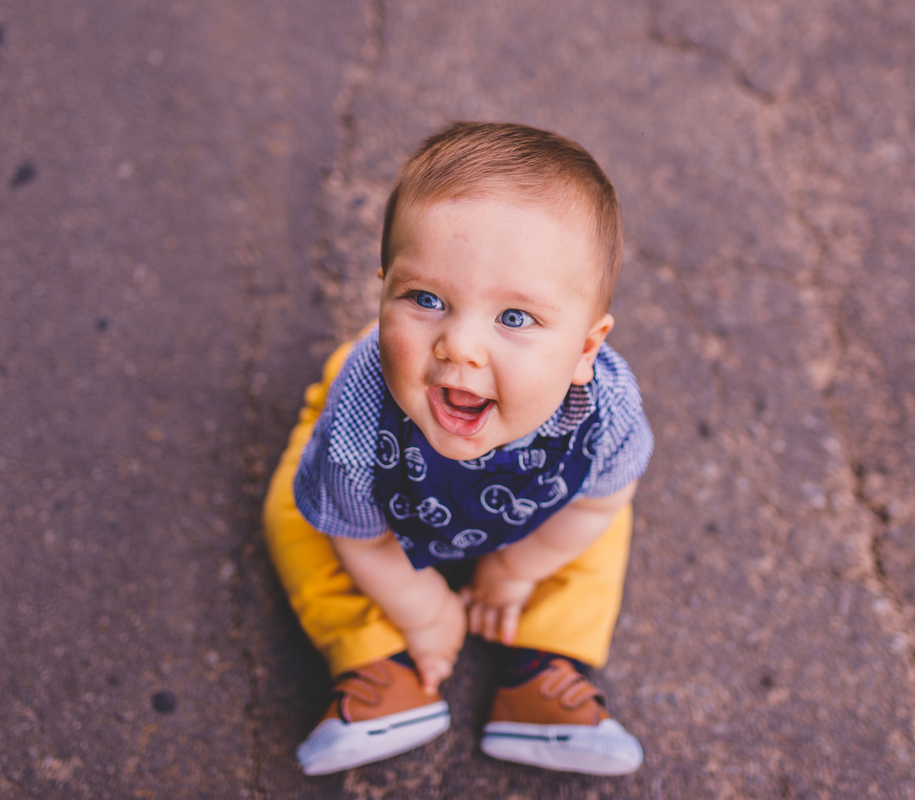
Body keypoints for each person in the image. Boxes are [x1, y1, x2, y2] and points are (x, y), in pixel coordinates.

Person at [262, 121, 654, 776]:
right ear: (383, 290)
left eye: (515, 317)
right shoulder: (358, 426)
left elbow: (601, 502)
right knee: (300, 516)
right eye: (426, 299)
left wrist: (518, 569)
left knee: (603, 526)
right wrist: (421, 610)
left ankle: (544, 667)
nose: (460, 347)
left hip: (534, 504)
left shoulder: (603, 415)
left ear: (586, 348)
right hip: (381, 504)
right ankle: (375, 659)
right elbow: (362, 541)